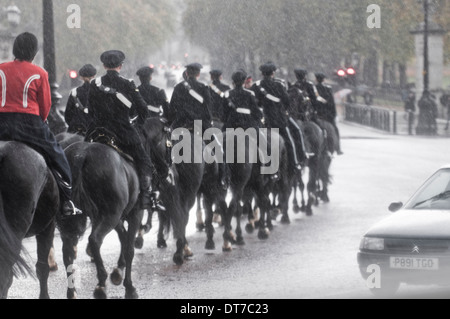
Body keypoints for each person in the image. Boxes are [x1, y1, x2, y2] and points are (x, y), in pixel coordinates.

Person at [0, 32, 82, 216]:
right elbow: (45, 106)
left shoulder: (1, 69)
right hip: (29, 123)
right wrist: (41, 121)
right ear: (34, 52)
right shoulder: (39, 73)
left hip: (1, 122)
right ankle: (67, 200)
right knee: (58, 156)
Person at [88, 50, 165, 211]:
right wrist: (136, 124)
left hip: (97, 132)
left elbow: (91, 109)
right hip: (122, 132)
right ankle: (146, 198)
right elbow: (143, 109)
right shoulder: (127, 84)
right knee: (145, 161)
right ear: (120, 66)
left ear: (104, 66)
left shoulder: (95, 85)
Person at [168, 63, 228, 188]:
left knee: (165, 149)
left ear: (187, 74)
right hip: (200, 127)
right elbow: (207, 110)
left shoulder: (178, 87)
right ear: (198, 74)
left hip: (181, 126)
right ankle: (222, 179)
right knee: (219, 150)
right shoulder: (203, 87)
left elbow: (172, 109)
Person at [251, 62, 306, 172]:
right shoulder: (279, 84)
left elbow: (254, 103)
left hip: (263, 119)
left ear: (262, 73)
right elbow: (286, 101)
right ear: (273, 73)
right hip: (278, 119)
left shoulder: (256, 86)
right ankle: (296, 162)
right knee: (292, 137)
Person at [315, 73, 343, 155]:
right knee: (335, 130)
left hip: (316, 115)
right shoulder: (327, 89)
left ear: (316, 79)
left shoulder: (313, 89)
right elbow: (331, 104)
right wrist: (333, 115)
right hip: (326, 116)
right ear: (323, 80)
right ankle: (338, 148)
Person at [65, 64, 96, 135]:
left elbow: (68, 115)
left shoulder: (74, 92)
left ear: (81, 77)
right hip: (93, 130)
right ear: (94, 76)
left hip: (76, 129)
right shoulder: (98, 92)